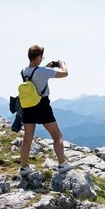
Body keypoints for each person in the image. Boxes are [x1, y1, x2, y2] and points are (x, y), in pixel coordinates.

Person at [19, 44, 75, 176]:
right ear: (38, 56)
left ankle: (24, 167)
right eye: (41, 56)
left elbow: (35, 79)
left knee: (27, 138)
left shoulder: (24, 71)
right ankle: (62, 164)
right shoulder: (43, 71)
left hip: (27, 106)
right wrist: (62, 64)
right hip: (42, 106)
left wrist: (46, 68)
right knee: (57, 135)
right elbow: (64, 74)